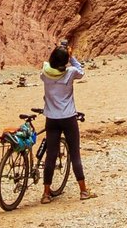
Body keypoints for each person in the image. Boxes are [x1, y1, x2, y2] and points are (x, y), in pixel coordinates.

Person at [40, 39, 94, 203]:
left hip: (52, 118)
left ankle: (46, 194)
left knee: (50, 156)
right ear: (65, 60)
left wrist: (61, 55)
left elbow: (49, 66)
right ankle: (83, 191)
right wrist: (71, 57)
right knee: (75, 154)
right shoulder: (70, 73)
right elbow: (81, 71)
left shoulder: (45, 74)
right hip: (68, 118)